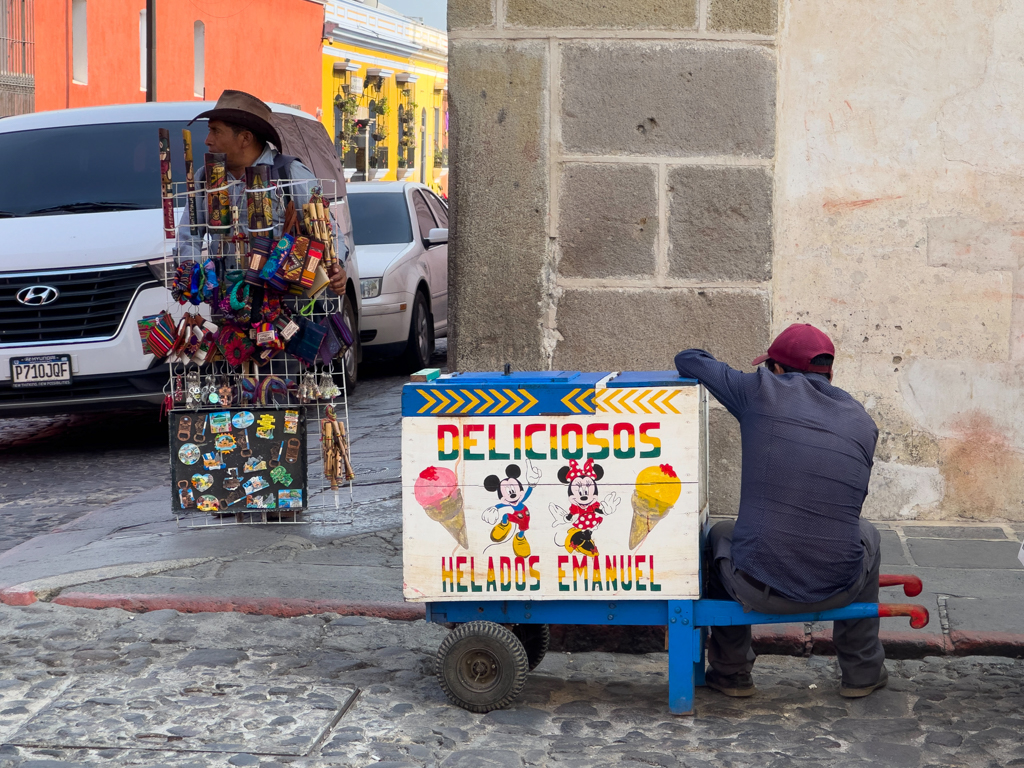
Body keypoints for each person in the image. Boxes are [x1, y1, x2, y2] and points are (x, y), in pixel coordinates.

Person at [675, 324, 886, 699]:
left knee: (720, 534)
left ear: (774, 369)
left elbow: (689, 360)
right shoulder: (861, 420)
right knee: (867, 533)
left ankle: (731, 672)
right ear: (830, 372)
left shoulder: (760, 391)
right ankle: (862, 672)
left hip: (760, 586)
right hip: (841, 586)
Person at [178, 89, 346, 295]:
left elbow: (329, 231)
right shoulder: (205, 177)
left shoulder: (289, 173)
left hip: (284, 302)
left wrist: (336, 265)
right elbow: (189, 236)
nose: (207, 140)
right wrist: (192, 276)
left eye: (216, 131)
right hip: (228, 302)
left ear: (245, 138)